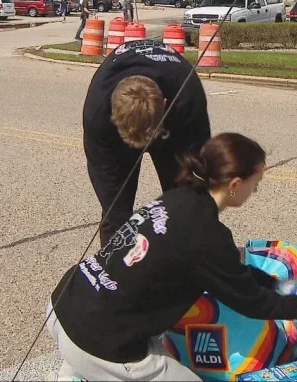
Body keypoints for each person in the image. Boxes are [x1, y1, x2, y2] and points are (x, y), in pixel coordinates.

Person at [46, 133, 297, 381]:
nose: (256, 190)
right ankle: (85, 368)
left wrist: (278, 283)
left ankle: (75, 371)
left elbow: (233, 274)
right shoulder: (206, 234)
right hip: (98, 342)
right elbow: (253, 302)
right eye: (255, 182)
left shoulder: (178, 198)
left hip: (64, 305)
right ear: (235, 184)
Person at [82, 39, 211, 246]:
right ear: (113, 115)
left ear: (165, 104)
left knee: (188, 208)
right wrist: (116, 219)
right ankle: (115, 264)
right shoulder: (98, 112)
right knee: (115, 218)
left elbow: (199, 168)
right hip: (119, 132)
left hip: (176, 127)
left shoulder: (187, 95)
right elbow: (105, 177)